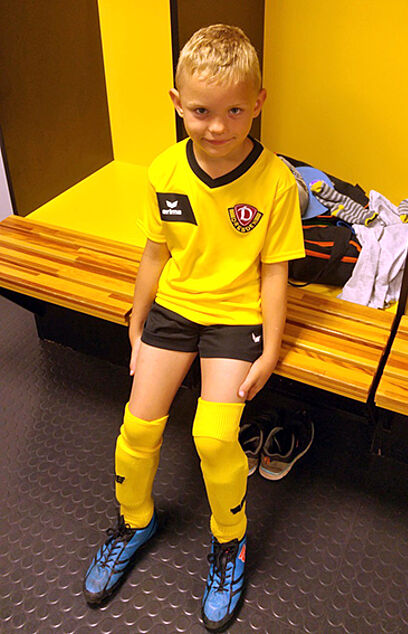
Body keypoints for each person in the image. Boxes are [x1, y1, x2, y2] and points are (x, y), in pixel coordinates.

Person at [83, 24, 304, 631]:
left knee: (213, 437)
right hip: (175, 309)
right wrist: (136, 319)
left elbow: (275, 272)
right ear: (177, 103)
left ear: (258, 102)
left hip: (235, 316)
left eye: (235, 110)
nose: (217, 126)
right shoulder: (164, 170)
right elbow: (155, 254)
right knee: (138, 425)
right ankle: (134, 521)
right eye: (201, 110)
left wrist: (272, 348)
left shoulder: (277, 182)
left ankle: (229, 541)